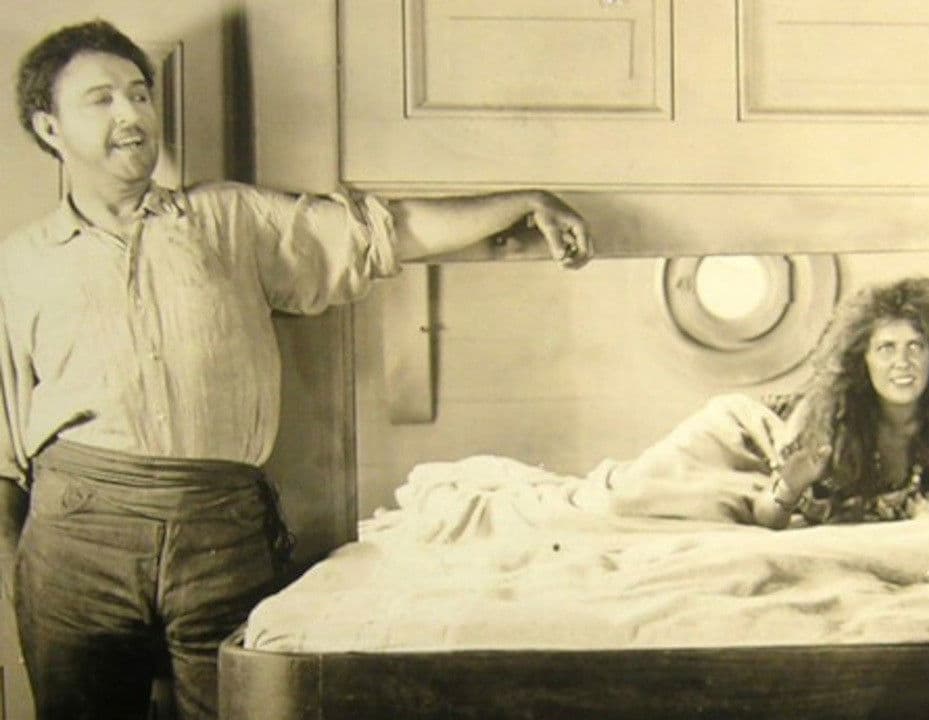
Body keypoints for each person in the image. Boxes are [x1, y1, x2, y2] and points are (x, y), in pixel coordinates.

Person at [0, 19, 592, 720]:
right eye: (100, 100)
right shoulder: (18, 266)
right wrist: (21, 580)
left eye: (139, 94)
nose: (131, 115)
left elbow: (381, 233)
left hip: (221, 530)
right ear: (49, 128)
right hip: (77, 537)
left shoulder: (228, 220)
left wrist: (523, 201)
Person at [605, 276, 929, 529]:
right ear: (863, 360)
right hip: (747, 435)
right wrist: (793, 484)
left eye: (916, 347)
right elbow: (769, 516)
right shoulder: (829, 419)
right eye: (886, 348)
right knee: (635, 494)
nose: (903, 363)